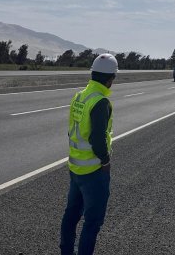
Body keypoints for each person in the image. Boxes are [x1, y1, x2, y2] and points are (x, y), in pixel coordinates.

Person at [60, 53, 118, 255]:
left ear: (93, 73)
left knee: (71, 214)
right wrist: (105, 161)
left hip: (75, 166)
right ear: (111, 79)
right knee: (92, 221)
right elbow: (97, 138)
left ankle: (66, 251)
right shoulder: (100, 101)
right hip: (93, 169)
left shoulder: (80, 96)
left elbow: (71, 129)